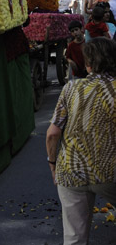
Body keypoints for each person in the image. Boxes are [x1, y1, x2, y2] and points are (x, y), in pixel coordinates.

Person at [46, 37, 116, 245]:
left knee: (75, 237)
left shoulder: (70, 89)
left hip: (71, 169)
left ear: (88, 64)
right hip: (110, 171)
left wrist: (53, 163)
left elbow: (52, 133)